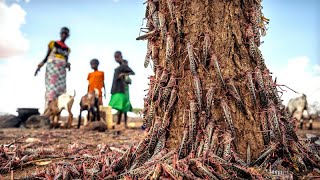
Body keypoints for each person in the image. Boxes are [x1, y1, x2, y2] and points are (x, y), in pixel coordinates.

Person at [35, 27, 71, 108]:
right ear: (60, 34)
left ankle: (56, 114)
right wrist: (39, 66)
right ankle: (48, 109)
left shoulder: (67, 49)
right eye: (63, 33)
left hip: (61, 72)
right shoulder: (53, 43)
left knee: (61, 92)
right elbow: (46, 56)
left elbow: (66, 60)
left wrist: (68, 65)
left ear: (68, 35)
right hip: (52, 70)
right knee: (51, 90)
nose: (64, 35)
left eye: (66, 34)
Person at [109, 51, 135, 128]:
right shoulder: (118, 68)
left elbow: (132, 73)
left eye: (117, 57)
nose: (116, 59)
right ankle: (119, 123)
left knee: (122, 107)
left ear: (121, 56)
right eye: (115, 57)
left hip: (122, 89)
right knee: (120, 107)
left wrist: (123, 74)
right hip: (116, 88)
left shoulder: (124, 66)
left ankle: (119, 123)